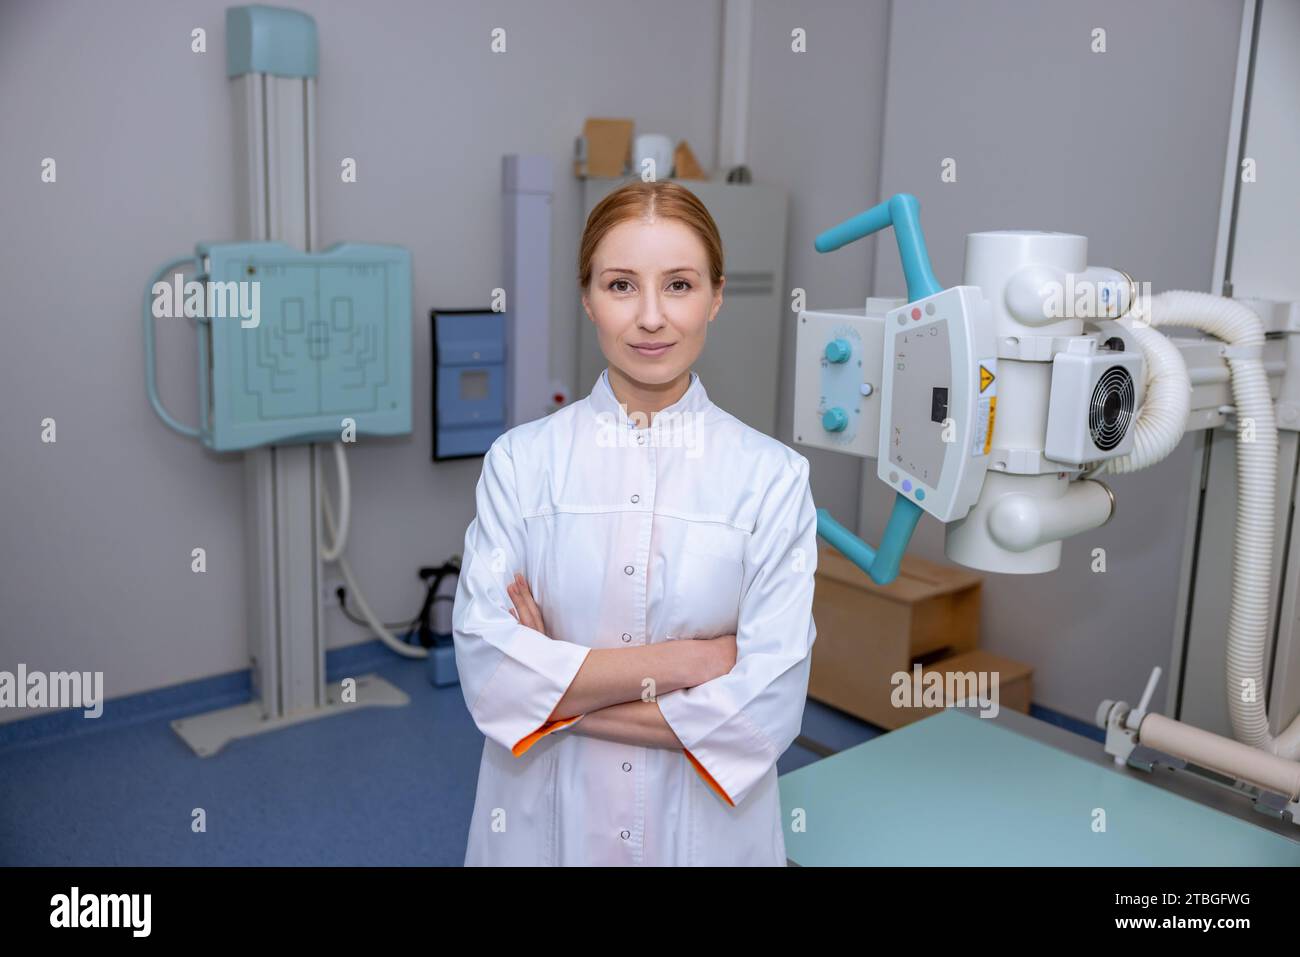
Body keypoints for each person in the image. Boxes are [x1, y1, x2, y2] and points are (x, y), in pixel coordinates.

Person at [451, 179, 818, 866]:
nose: (652, 317)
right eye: (621, 285)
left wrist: (555, 689)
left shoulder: (772, 479)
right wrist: (691, 662)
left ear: (715, 296)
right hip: (539, 828)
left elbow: (763, 709)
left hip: (704, 837)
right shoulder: (521, 463)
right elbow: (489, 673)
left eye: (678, 285)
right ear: (587, 297)